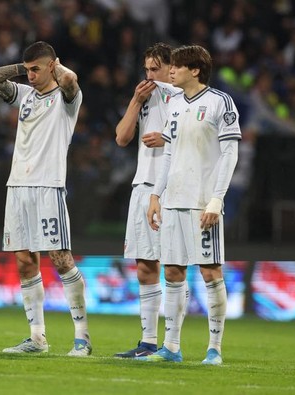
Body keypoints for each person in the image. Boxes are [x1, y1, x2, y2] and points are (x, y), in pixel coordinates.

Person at [0, 41, 91, 356]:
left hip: (48, 185)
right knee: (24, 260)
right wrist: (22, 66)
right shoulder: (26, 95)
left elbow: (71, 81)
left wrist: (56, 67)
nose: (30, 75)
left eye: (36, 69)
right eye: (27, 70)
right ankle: (37, 338)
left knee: (60, 258)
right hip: (17, 186)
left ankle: (82, 338)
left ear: (53, 65)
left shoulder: (67, 98)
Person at [141, 45, 241, 364]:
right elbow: (169, 154)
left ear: (195, 70)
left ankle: (215, 349)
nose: (171, 71)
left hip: (203, 203)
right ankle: (171, 347)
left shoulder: (219, 102)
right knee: (172, 272)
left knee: (211, 272)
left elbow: (229, 153)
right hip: (173, 201)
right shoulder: (174, 105)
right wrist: (157, 195)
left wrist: (216, 199)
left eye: (177, 66)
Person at [113, 43, 183, 358]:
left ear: (172, 69)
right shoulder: (145, 96)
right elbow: (122, 137)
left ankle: (172, 344)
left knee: (173, 267)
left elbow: (198, 139)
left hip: (172, 187)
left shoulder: (183, 98)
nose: (150, 75)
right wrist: (135, 99)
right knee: (144, 266)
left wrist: (167, 138)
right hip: (142, 184)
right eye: (147, 69)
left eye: (156, 69)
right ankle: (148, 342)